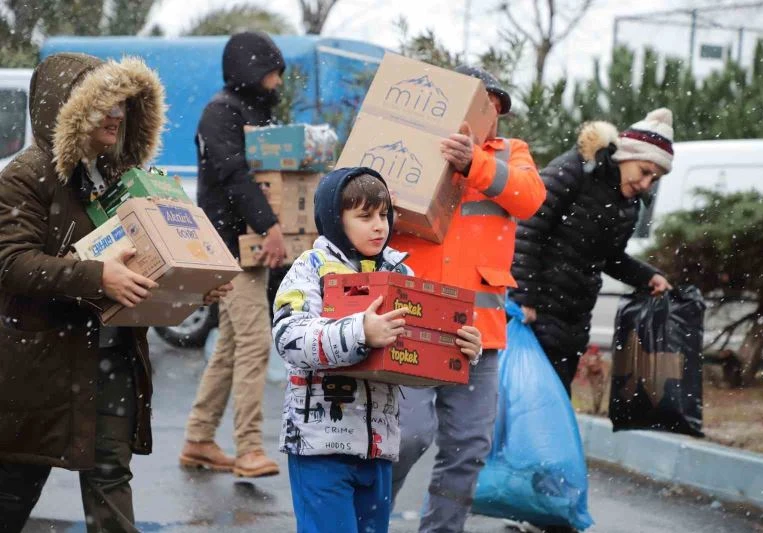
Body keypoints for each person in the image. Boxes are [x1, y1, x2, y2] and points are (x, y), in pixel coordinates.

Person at [0, 52, 231, 533]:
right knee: (17, 482)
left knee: (109, 478)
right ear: (68, 108)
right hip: (41, 365)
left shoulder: (116, 177)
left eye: (123, 104)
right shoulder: (25, 174)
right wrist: (95, 276)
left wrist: (191, 289)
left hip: (110, 359)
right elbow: (11, 263)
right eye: (104, 104)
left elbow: (142, 264)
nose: (117, 115)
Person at [272, 167, 483, 533]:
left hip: (378, 449)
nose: (379, 226)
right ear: (335, 220)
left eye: (384, 215)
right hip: (320, 447)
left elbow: (415, 354)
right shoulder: (310, 269)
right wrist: (359, 333)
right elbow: (289, 337)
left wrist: (459, 349)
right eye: (365, 216)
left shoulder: (400, 274)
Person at [389, 65, 547, 533]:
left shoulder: (509, 154)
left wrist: (473, 162)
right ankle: (368, 519)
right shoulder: (413, 148)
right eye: (481, 105)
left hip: (479, 333)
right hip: (415, 321)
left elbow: (530, 198)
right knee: (405, 438)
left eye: (494, 108)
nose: (488, 116)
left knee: (469, 448)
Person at [180, 31, 288, 477]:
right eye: (272, 72)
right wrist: (270, 226)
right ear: (250, 68)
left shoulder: (254, 112)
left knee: (229, 346)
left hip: (249, 248)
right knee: (254, 341)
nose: (277, 82)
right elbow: (235, 176)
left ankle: (198, 439)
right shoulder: (221, 113)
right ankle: (249, 449)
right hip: (230, 248)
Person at [511, 108, 674, 400]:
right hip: (535, 312)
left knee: (553, 400)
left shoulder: (628, 204)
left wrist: (647, 277)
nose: (646, 184)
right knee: (529, 402)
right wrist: (524, 298)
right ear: (626, 155)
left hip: (574, 319)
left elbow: (610, 257)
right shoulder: (575, 169)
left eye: (655, 178)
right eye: (644, 171)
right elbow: (527, 228)